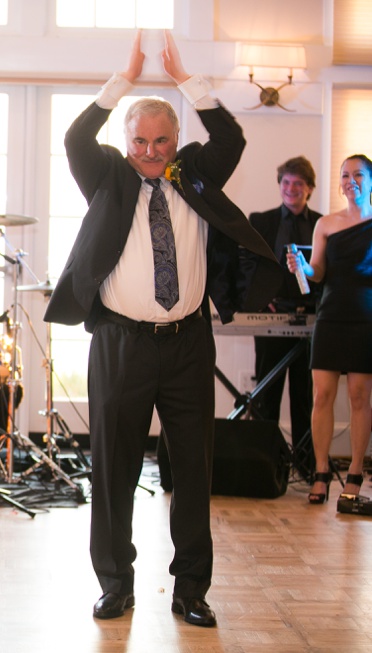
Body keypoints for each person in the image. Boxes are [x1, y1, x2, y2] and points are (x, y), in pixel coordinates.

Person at [43, 31, 281, 628]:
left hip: (187, 345)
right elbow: (76, 135)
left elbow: (231, 134)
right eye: (140, 141)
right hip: (121, 343)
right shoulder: (106, 176)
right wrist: (123, 78)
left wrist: (184, 80)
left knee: (194, 470)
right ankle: (115, 583)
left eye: (161, 141)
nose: (151, 151)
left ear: (177, 141)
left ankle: (191, 590)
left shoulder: (196, 171)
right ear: (126, 143)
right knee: (113, 467)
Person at [288, 154, 372, 506]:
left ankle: (354, 472)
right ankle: (321, 472)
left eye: (357, 174)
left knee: (358, 397)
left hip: (366, 317)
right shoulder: (326, 223)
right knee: (321, 395)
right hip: (331, 314)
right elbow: (318, 272)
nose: (350, 180)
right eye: (344, 175)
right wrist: (304, 267)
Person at [244, 156, 322, 477]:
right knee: (266, 393)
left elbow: (326, 272)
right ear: (280, 186)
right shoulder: (260, 221)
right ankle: (265, 467)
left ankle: (305, 467)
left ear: (309, 189)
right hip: (270, 318)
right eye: (286, 183)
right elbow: (247, 265)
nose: (291, 189)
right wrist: (262, 302)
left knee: (304, 396)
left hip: (310, 321)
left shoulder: (322, 223)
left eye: (298, 184)